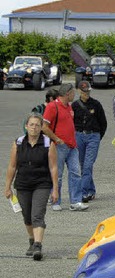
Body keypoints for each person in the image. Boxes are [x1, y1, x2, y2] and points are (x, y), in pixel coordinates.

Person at [5, 114, 58, 260]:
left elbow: (53, 168)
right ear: (26, 126)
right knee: (27, 216)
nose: (34, 128)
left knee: (37, 214)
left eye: (37, 125)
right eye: (31, 125)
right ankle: (32, 239)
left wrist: (55, 189)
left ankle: (38, 245)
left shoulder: (48, 143)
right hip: (23, 184)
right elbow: (12, 166)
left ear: (41, 128)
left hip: (42, 183)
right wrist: (7, 186)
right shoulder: (18, 143)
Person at [41, 83, 87, 211]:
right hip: (58, 146)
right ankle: (55, 201)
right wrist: (56, 139)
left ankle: (76, 201)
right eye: (73, 93)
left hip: (72, 146)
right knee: (58, 174)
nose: (74, 95)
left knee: (76, 173)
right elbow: (44, 126)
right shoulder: (52, 106)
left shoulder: (69, 107)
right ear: (68, 94)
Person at [71, 81, 107, 203]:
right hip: (79, 135)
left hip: (93, 136)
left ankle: (83, 192)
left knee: (88, 165)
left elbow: (103, 123)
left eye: (88, 91)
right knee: (82, 165)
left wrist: (97, 137)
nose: (86, 93)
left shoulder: (96, 104)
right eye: (84, 91)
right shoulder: (75, 105)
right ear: (79, 91)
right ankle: (91, 190)